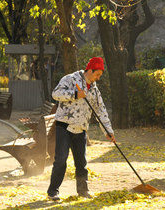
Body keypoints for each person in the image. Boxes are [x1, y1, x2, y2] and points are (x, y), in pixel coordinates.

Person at [47, 57, 116, 201]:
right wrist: (75, 95)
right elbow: (56, 94)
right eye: (97, 74)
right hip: (64, 126)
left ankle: (83, 191)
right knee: (61, 160)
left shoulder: (95, 90)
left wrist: (108, 132)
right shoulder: (70, 79)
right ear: (90, 70)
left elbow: (101, 111)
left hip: (81, 129)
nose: (98, 78)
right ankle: (53, 191)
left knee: (82, 163)